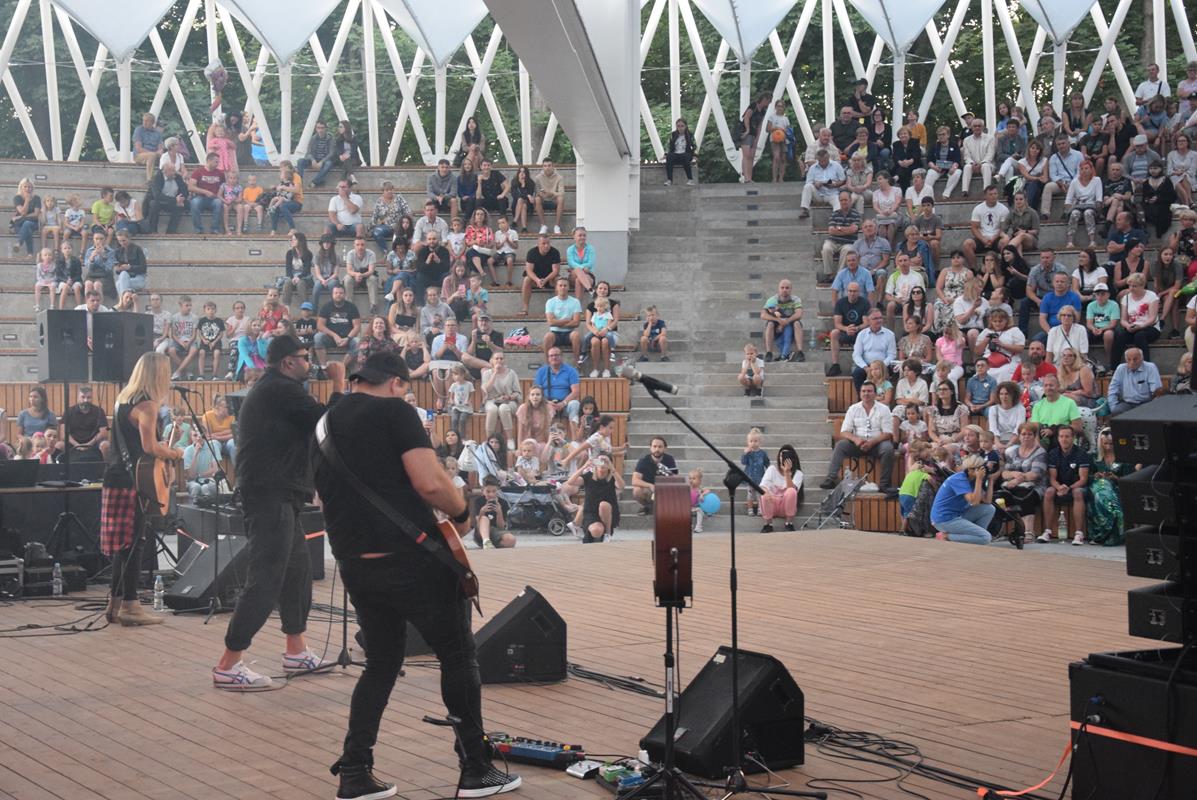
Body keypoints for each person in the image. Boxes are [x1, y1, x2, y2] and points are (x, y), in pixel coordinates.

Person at [310, 351, 520, 799]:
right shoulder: (396, 412)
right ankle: (476, 769)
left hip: (354, 562)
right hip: (410, 558)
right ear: (396, 383)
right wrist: (463, 511)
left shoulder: (324, 424)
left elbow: (324, 499)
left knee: (381, 665)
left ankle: (355, 771)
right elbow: (428, 481)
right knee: (458, 655)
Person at [212, 337, 346, 691]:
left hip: (281, 493)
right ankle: (229, 662)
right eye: (304, 358)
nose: (310, 364)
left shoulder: (279, 389)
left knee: (297, 571)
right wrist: (339, 384)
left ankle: (296, 650)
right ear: (288, 363)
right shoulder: (281, 390)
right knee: (266, 577)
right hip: (269, 494)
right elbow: (327, 423)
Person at [100, 352, 183, 625]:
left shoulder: (123, 400)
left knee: (124, 543)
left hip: (116, 475)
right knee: (135, 542)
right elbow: (149, 449)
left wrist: (168, 440)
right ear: (158, 375)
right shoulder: (147, 406)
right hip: (133, 479)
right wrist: (174, 452)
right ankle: (131, 606)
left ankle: (114, 603)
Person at [820, 381, 896, 497]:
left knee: (888, 448)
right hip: (857, 444)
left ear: (875, 394)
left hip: (877, 444)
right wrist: (856, 440)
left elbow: (887, 433)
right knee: (841, 445)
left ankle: (885, 484)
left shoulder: (884, 409)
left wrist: (871, 442)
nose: (866, 394)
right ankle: (831, 478)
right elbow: (844, 431)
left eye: (869, 391)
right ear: (860, 393)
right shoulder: (853, 408)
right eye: (863, 391)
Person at [1039, 426, 1090, 544]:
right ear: (1058, 438)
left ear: (1073, 438)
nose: (1064, 439)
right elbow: (1052, 478)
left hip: (1077, 487)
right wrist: (1059, 487)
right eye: (1061, 436)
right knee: (1049, 491)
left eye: (1067, 436)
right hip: (1059, 486)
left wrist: (1069, 488)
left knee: (1077, 492)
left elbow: (1083, 479)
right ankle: (1047, 531)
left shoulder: (1081, 453)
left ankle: (1079, 533)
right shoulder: (1053, 453)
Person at [930, 455, 995, 544]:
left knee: (989, 508)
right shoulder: (959, 479)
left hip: (958, 514)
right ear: (970, 470)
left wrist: (991, 480)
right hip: (944, 519)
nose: (982, 471)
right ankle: (945, 536)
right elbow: (974, 501)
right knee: (986, 538)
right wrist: (979, 480)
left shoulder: (973, 480)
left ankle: (975, 538)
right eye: (980, 468)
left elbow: (987, 501)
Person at [1106, 347, 1164, 415]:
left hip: (1146, 403)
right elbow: (1112, 390)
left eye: (1135, 359)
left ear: (1142, 359)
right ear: (1125, 360)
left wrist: (1153, 407)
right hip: (1126, 403)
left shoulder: (1150, 367)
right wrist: (1113, 407)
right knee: (1116, 411)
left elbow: (1156, 392)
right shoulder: (1121, 368)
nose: (1132, 362)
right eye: (1129, 359)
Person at [758, 444, 802, 532]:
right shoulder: (772, 469)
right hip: (772, 503)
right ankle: (768, 524)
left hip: (785, 507)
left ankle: (789, 523)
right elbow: (763, 485)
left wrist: (787, 472)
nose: (782, 458)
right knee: (764, 494)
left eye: (785, 456)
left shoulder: (798, 473)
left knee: (791, 491)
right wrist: (767, 493)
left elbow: (793, 490)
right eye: (781, 455)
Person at [61, 385, 108, 463]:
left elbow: (104, 432)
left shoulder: (99, 411)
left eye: (88, 397)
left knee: (106, 445)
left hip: (94, 444)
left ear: (92, 398)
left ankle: (107, 472)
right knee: (59, 445)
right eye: (83, 397)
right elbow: (63, 434)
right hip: (73, 445)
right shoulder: (69, 411)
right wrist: (76, 445)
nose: (85, 400)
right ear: (78, 398)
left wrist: (89, 444)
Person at [631, 436, 677, 514]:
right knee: (637, 491)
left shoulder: (670, 459)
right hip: (649, 490)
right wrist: (650, 486)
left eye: (660, 447)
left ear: (665, 448)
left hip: (664, 490)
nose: (657, 449)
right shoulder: (644, 460)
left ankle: (655, 508)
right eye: (654, 446)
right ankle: (649, 507)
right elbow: (634, 480)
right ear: (650, 448)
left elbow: (675, 478)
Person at [761, 279, 804, 362]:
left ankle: (800, 352)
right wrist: (777, 320)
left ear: (791, 289)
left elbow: (799, 314)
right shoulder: (773, 300)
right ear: (778, 289)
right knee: (770, 324)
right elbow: (763, 315)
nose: (784, 290)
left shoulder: (795, 299)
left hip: (790, 323)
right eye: (782, 287)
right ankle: (769, 352)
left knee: (797, 323)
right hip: (776, 323)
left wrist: (786, 322)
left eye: (787, 288)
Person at [822, 191, 862, 275]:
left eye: (846, 200)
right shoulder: (835, 214)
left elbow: (853, 230)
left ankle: (839, 275)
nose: (844, 202)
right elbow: (831, 230)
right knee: (826, 248)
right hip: (833, 241)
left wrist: (839, 228)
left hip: (848, 242)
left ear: (850, 200)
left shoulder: (856, 215)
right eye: (841, 200)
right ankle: (828, 274)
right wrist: (847, 230)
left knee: (848, 250)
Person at [799, 149, 846, 218]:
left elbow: (843, 180)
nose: (823, 163)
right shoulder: (813, 168)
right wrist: (815, 184)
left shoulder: (836, 165)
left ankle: (837, 220)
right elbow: (808, 182)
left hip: (832, 193)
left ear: (828, 157)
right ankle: (805, 210)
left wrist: (835, 184)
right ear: (817, 159)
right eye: (821, 161)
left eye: (825, 160)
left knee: (838, 205)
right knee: (808, 186)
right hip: (818, 193)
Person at [188, 152, 225, 234]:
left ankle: (215, 229)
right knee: (194, 203)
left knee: (219, 203)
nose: (217, 164)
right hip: (200, 197)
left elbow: (224, 186)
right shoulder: (198, 172)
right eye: (216, 162)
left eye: (218, 162)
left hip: (214, 198)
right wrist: (205, 192)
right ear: (209, 161)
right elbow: (190, 187)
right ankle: (198, 229)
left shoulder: (220, 174)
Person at [739, 93, 770, 183]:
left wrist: (757, 138)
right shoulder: (754, 106)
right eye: (768, 101)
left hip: (754, 134)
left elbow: (760, 125)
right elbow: (746, 117)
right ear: (764, 99)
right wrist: (747, 130)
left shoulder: (763, 111)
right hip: (746, 133)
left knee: (751, 156)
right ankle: (746, 177)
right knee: (746, 155)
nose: (769, 103)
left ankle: (749, 177)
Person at [533, 159, 565, 235]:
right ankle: (543, 225)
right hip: (543, 200)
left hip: (554, 200)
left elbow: (562, 192)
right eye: (545, 166)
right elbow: (536, 192)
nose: (547, 168)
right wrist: (542, 194)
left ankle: (557, 226)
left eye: (549, 165)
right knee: (537, 199)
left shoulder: (559, 177)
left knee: (561, 198)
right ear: (542, 167)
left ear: (553, 166)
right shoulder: (538, 178)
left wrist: (551, 193)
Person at [664, 118, 696, 185]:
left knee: (685, 157)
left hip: (686, 153)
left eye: (682, 126)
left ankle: (690, 179)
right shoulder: (673, 135)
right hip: (676, 154)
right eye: (678, 126)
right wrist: (666, 154)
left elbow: (694, 145)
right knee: (669, 157)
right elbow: (668, 145)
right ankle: (669, 180)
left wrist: (695, 155)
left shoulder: (690, 135)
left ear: (685, 126)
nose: (680, 128)